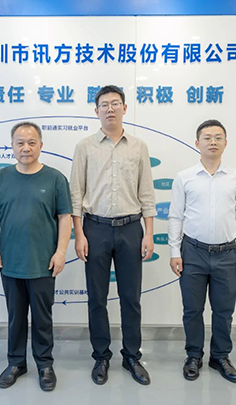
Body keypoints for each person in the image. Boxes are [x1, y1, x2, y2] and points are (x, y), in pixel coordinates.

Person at [70, 85, 156, 386]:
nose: (110, 109)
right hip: (95, 229)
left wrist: (149, 233)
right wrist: (79, 234)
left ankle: (132, 356)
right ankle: (101, 357)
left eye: (115, 103)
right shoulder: (85, 146)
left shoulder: (139, 146)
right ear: (96, 111)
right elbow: (76, 194)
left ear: (124, 108)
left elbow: (147, 193)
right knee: (97, 298)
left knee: (131, 298)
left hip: (132, 228)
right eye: (104, 104)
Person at [0, 122, 72, 392]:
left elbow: (65, 217)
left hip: (43, 262)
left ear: (41, 145)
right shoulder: (1, 177)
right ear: (12, 146)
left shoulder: (55, 179)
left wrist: (61, 252)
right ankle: (16, 363)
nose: (26, 148)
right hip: (10, 262)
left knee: (42, 317)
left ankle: (45, 364)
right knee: (15, 317)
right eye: (20, 143)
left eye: (32, 142)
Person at [168, 119, 236, 383]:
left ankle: (220, 356)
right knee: (192, 309)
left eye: (218, 137)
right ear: (197, 143)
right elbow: (176, 216)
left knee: (224, 310)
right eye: (207, 138)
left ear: (225, 143)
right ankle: (193, 356)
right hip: (193, 252)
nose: (212, 142)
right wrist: (174, 251)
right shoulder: (184, 178)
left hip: (227, 253)